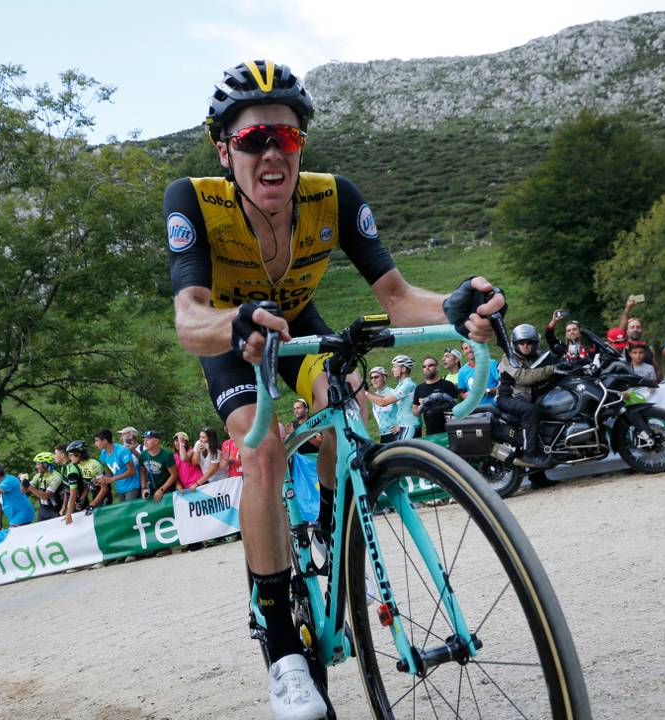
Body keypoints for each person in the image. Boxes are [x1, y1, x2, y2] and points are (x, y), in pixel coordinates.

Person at [164, 59, 504, 720]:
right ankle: (281, 650)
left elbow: (398, 296)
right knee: (263, 450)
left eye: (286, 137)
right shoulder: (193, 200)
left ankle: (324, 526)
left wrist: (455, 303)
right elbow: (188, 318)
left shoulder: (333, 197)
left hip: (297, 321)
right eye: (254, 138)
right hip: (234, 334)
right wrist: (233, 324)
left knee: (345, 403)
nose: (272, 152)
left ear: (301, 146)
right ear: (225, 150)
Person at [495, 324, 557, 469]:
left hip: (526, 397)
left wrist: (568, 363)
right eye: (521, 343)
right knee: (531, 411)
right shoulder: (508, 358)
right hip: (508, 398)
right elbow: (523, 377)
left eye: (529, 342)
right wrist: (551, 369)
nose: (526, 346)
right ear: (515, 344)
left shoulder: (537, 355)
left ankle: (539, 476)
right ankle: (530, 454)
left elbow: (553, 359)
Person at [366, 355, 418, 441]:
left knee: (403, 449)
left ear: (403, 369)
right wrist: (368, 391)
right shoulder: (400, 385)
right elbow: (384, 398)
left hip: (409, 425)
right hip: (403, 426)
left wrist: (366, 393)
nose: (392, 369)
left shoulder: (408, 385)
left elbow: (383, 402)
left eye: (394, 367)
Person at [411, 356, 460, 436]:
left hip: (449, 431)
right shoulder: (419, 388)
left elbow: (454, 406)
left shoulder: (447, 384)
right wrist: (421, 407)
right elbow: (415, 411)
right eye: (424, 366)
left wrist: (437, 398)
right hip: (431, 433)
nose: (427, 368)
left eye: (430, 365)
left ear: (437, 367)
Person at [95, 429, 140, 503]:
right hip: (120, 488)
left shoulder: (122, 451)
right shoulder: (103, 453)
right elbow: (110, 472)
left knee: (128, 509)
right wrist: (103, 479)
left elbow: (132, 471)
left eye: (97, 441)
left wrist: (112, 479)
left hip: (132, 487)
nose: (95, 444)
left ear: (105, 441)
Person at [455, 341, 498, 407]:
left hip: (495, 407)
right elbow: (462, 393)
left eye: (471, 347)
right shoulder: (461, 372)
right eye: (466, 348)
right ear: (463, 352)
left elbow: (504, 386)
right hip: (475, 410)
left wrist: (487, 392)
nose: (469, 350)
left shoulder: (491, 363)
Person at [138, 430, 176, 503]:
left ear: (156, 441)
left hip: (167, 488)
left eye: (148, 440)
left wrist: (161, 490)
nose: (145, 442)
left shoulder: (167, 455)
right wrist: (143, 488)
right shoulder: (143, 455)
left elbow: (174, 475)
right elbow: (142, 472)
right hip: (152, 488)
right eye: (144, 440)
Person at [68, 440, 107, 511]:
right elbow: (87, 485)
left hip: (104, 497)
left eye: (71, 455)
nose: (69, 457)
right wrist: (81, 500)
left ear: (78, 454)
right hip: (95, 496)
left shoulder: (94, 464)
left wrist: (92, 504)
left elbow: (104, 488)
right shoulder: (80, 466)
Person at [27, 452, 64, 522]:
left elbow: (45, 496)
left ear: (45, 465)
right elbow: (24, 491)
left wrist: (28, 485)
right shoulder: (39, 475)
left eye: (38, 464)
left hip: (55, 509)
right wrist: (23, 481)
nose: (36, 466)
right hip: (43, 509)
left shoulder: (56, 477)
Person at [53, 443, 82, 525]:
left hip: (78, 505)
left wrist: (69, 514)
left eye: (55, 454)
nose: (54, 456)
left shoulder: (71, 469)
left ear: (62, 455)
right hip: (71, 505)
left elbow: (73, 494)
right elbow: (66, 489)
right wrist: (64, 507)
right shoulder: (63, 468)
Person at [366, 366, 396, 441]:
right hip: (383, 434)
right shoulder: (374, 396)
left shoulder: (393, 392)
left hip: (396, 433)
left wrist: (400, 426)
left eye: (376, 377)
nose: (373, 380)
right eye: (371, 378)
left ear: (384, 378)